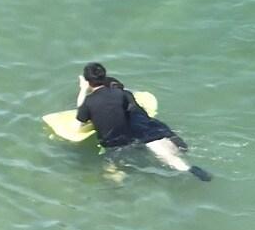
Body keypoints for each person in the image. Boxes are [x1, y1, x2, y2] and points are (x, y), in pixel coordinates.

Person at [75, 63, 211, 181]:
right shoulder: (121, 94)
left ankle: (119, 186)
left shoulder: (89, 102)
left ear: (88, 82)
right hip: (139, 133)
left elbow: (80, 121)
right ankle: (187, 168)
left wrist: (83, 90)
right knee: (165, 154)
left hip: (115, 144)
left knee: (112, 168)